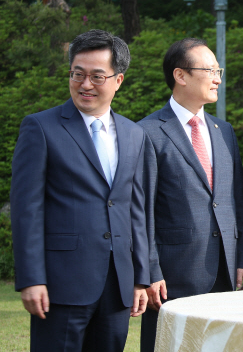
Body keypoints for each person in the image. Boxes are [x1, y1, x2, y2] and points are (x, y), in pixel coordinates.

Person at [10, 29, 149, 351]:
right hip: (61, 283)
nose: (85, 84)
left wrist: (141, 276)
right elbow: (27, 209)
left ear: (118, 80)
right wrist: (31, 278)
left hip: (118, 284)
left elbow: (135, 209)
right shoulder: (40, 128)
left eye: (97, 76)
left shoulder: (134, 133)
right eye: (78, 74)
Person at [137, 38, 243, 351]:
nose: (218, 77)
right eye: (210, 70)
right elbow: (142, 211)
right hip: (172, 277)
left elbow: (237, 203)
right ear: (181, 76)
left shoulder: (224, 130)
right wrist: (149, 271)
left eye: (220, 70)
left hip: (227, 274)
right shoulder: (147, 132)